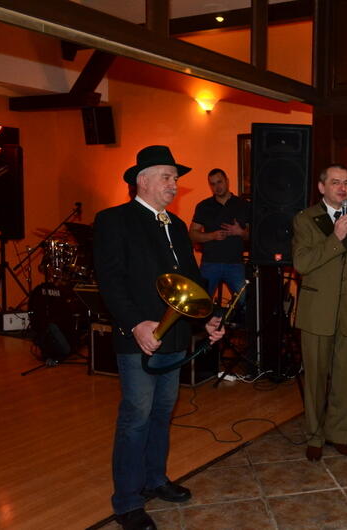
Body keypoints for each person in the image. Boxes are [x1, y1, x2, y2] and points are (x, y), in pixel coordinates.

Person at [94, 145, 225, 530]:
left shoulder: (177, 226)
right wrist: (136, 323)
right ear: (143, 180)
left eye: (175, 178)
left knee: (162, 412)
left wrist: (209, 318)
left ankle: (155, 479)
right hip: (139, 338)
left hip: (175, 337)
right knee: (136, 417)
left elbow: (192, 281)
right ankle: (127, 502)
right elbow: (110, 281)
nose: (174, 184)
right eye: (167, 177)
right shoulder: (114, 220)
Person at [292, 164, 347, 462]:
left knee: (344, 380)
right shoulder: (304, 219)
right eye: (335, 182)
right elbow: (302, 264)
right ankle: (314, 436)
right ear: (322, 187)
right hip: (316, 313)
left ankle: (338, 434)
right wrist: (335, 239)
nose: (342, 188)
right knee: (315, 382)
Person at [189, 168, 251, 317]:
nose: (217, 187)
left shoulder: (243, 205)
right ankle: (205, 331)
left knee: (246, 303)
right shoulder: (203, 206)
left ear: (227, 181)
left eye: (220, 182)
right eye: (213, 184)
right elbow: (192, 234)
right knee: (200, 305)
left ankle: (238, 329)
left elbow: (253, 236)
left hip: (235, 264)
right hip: (210, 264)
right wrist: (212, 235)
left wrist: (240, 232)